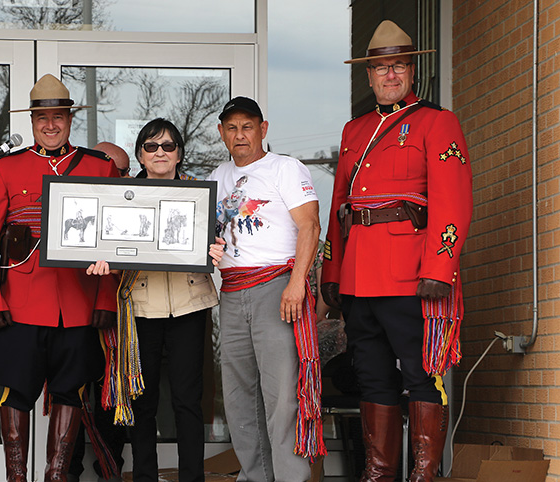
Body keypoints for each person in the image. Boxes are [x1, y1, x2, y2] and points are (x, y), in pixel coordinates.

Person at [320, 20, 473, 482]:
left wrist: (440, 267)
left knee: (422, 375)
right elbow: (339, 206)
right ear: (367, 76)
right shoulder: (355, 130)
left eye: (399, 66)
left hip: (412, 275)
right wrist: (333, 269)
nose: (389, 75)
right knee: (372, 377)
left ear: (412, 71)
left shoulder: (436, 121)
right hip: (360, 277)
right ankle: (379, 472)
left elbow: (454, 202)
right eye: (380, 68)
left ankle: (424, 474)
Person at [0, 73, 120, 482]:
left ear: (70, 120)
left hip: (77, 304)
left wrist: (105, 300)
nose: (51, 125)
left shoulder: (99, 167)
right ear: (33, 121)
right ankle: (17, 479)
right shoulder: (6, 169)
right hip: (20, 302)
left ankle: (56, 478)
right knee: (16, 392)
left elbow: (113, 241)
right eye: (42, 118)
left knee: (70, 391)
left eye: (59, 116)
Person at [210, 96, 323, 482]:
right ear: (221, 133)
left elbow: (310, 226)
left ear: (263, 129)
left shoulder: (284, 168)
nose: (239, 134)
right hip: (231, 291)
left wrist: (296, 284)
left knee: (281, 397)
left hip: (275, 287)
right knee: (239, 398)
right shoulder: (217, 175)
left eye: (247, 126)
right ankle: (255, 476)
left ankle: (291, 477)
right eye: (231, 127)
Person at [127, 118, 219, 482]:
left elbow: (218, 241)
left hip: (189, 305)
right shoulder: (121, 196)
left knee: (187, 400)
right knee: (143, 402)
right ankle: (145, 477)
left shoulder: (200, 195)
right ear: (140, 155)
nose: (160, 152)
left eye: (167, 145)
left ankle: (191, 478)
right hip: (141, 307)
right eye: (151, 146)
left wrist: (217, 248)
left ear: (180, 153)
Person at [68, 141, 130, 482]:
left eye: (120, 171)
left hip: (118, 325)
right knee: (70, 401)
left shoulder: (134, 211)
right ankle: (67, 473)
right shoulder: (76, 208)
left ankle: (110, 473)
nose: (113, 176)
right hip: (73, 319)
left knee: (111, 404)